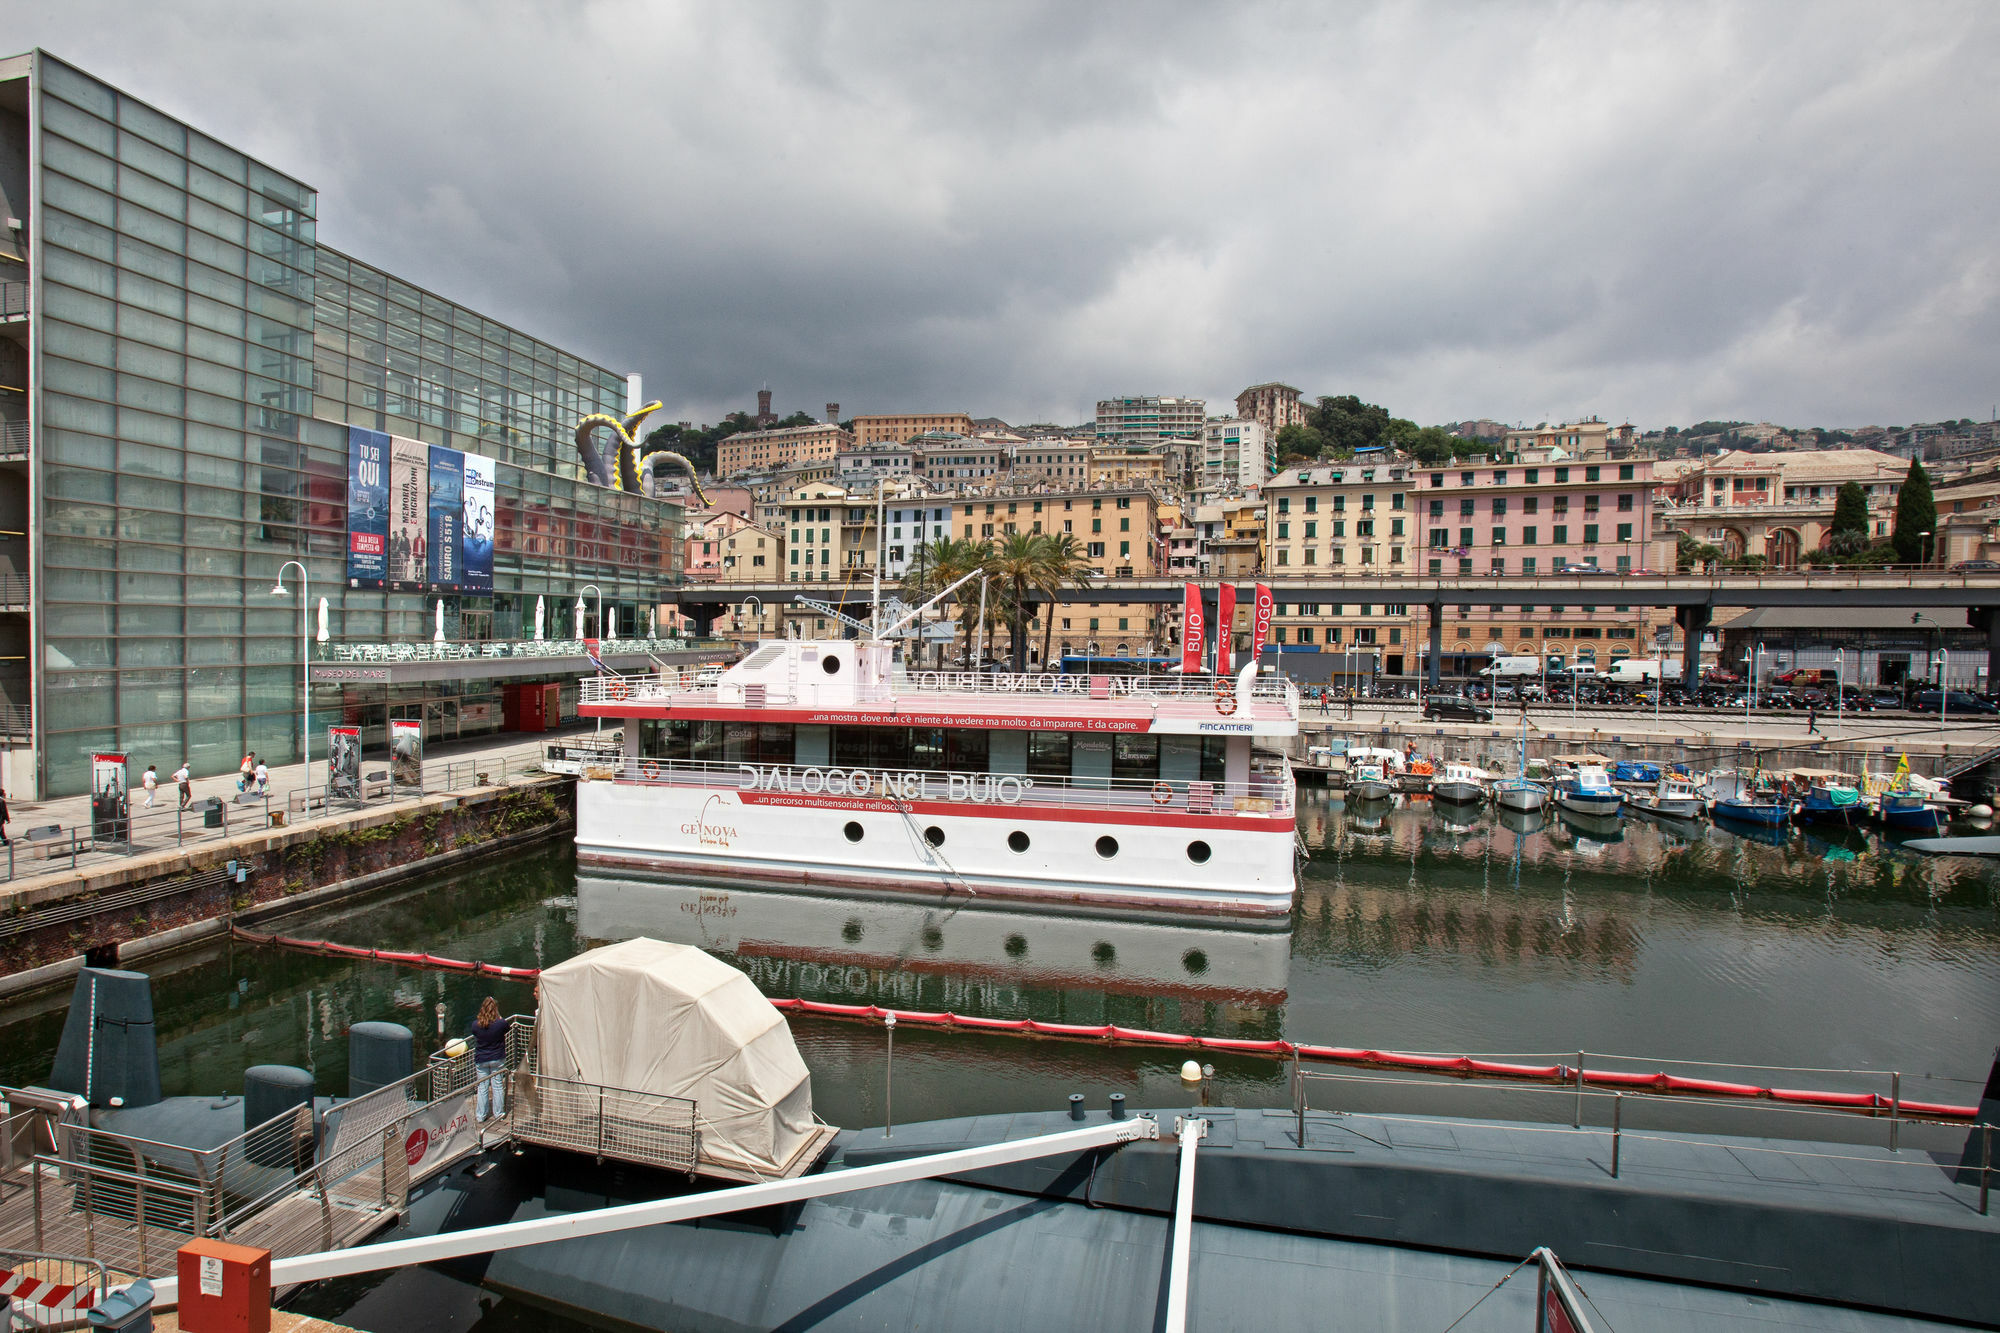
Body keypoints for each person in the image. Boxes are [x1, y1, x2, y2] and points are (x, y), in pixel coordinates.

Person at [470, 996, 512, 1122]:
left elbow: (475, 1034)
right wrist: (498, 1016)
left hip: (481, 1058)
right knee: (497, 1086)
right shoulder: (500, 1024)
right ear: (496, 1009)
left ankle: (480, 1115)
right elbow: (507, 1028)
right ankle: (498, 1113)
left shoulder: (476, 1025)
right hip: (497, 1058)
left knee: (482, 1087)